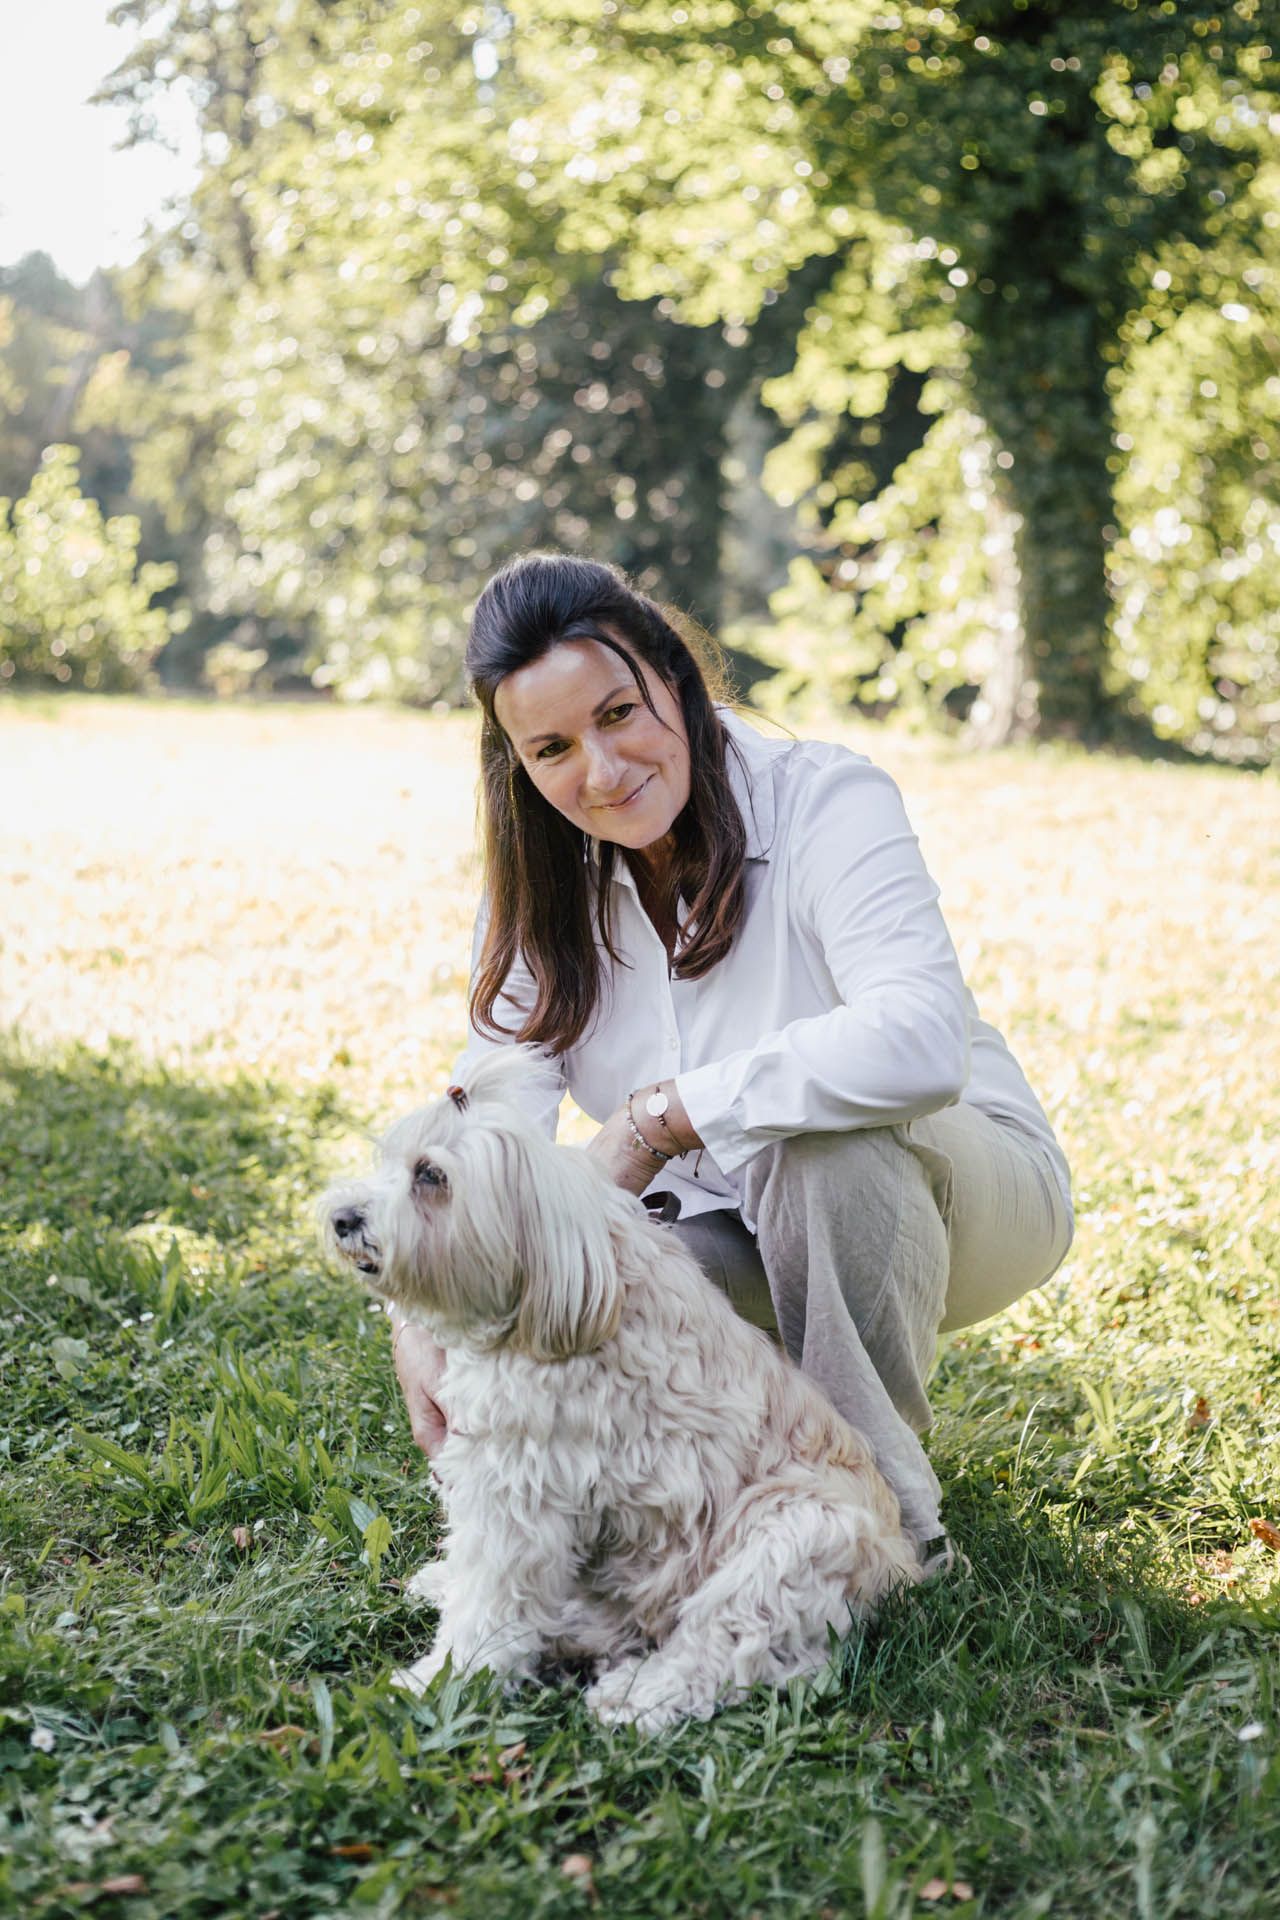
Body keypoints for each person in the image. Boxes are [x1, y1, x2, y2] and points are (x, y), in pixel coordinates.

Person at [391, 551, 1073, 1567]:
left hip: (955, 1193)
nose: (601, 771)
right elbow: (493, 1111)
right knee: (587, 1283)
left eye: (618, 714)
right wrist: (417, 1311)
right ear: (519, 767)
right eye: (552, 749)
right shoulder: (544, 884)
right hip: (727, 1221)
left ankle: (881, 1527)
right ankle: (678, 1515)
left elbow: (920, 1034)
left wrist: (659, 1117)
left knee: (811, 1147)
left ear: (672, 675)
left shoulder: (821, 800)